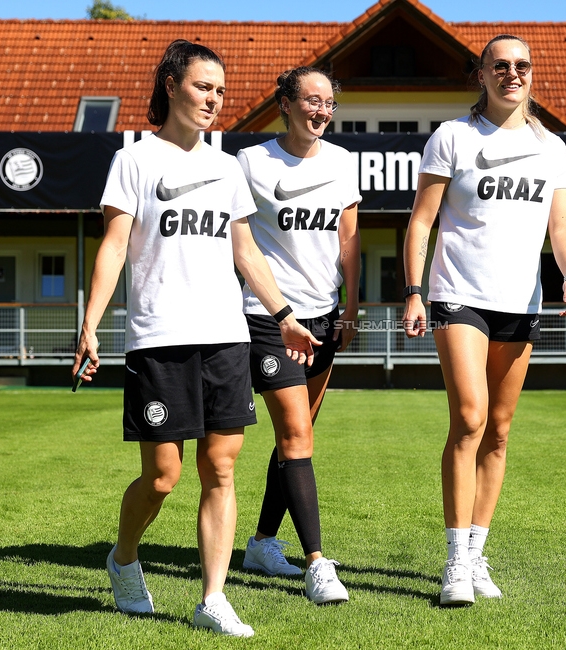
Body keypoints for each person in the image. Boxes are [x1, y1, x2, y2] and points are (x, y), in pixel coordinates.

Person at [72, 40, 319, 637]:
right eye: (203, 87)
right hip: (158, 338)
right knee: (163, 476)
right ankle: (124, 558)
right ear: (171, 85)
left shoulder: (226, 167)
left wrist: (282, 312)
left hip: (225, 336)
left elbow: (244, 249)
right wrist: (90, 322)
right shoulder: (135, 160)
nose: (213, 100)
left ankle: (213, 599)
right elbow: (113, 246)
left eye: (219, 92)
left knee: (222, 468)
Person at [402, 34, 566, 606]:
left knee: (500, 431)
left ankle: (478, 555)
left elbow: (561, 226)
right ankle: (455, 562)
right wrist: (412, 291)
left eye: (522, 66)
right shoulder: (452, 137)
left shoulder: (552, 147)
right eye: (500, 66)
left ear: (533, 74)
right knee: (470, 418)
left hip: (520, 302)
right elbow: (420, 223)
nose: (512, 74)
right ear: (480, 75)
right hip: (458, 295)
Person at [235, 66, 360, 605]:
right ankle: (316, 562)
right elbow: (238, 242)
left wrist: (351, 307)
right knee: (297, 435)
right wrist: (275, 309)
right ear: (285, 104)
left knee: (296, 436)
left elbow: (349, 237)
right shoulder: (251, 162)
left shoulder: (343, 162)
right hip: (266, 317)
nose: (321, 111)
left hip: (325, 315)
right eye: (311, 100)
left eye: (328, 102)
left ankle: (263, 543)